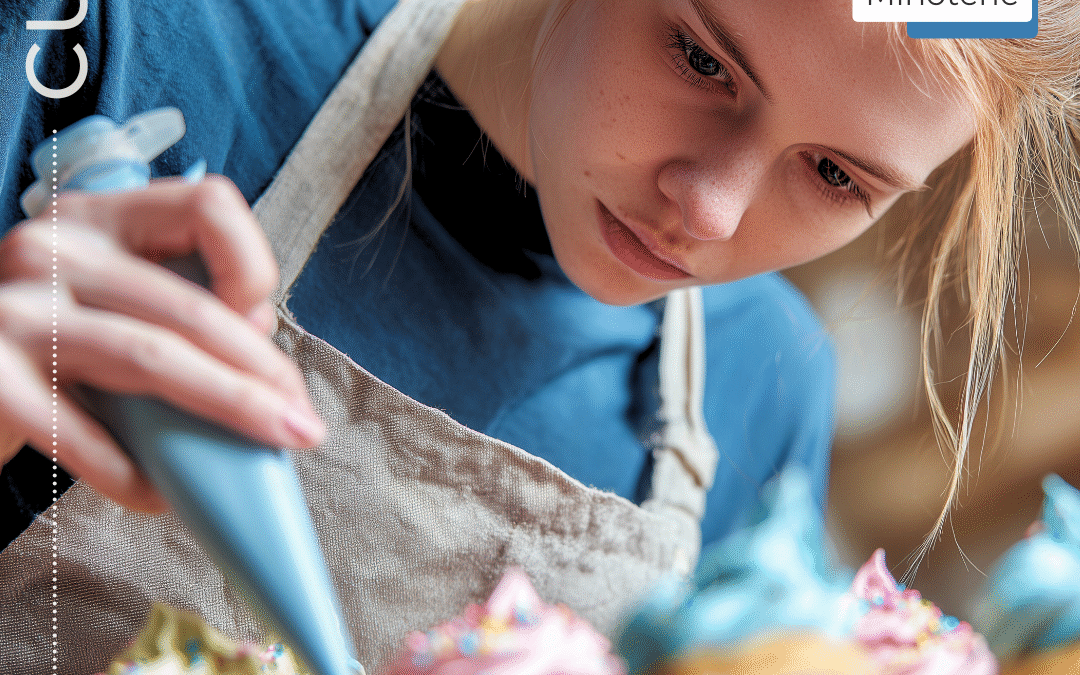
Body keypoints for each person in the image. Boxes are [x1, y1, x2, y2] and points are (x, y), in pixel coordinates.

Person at [0, 0, 1077, 662]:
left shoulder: (764, 384)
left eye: (839, 176)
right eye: (701, 58)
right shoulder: (123, 47)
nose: (707, 211)